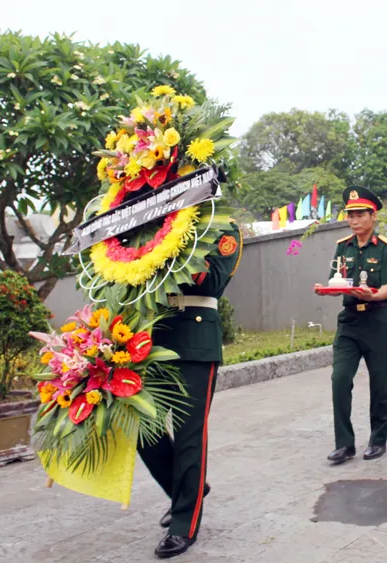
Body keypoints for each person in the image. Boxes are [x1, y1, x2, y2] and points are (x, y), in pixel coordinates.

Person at [140, 220, 243, 559]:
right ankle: (186, 489)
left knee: (189, 437)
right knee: (143, 428)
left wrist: (178, 242)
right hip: (155, 338)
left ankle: (183, 523)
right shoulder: (153, 223)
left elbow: (213, 283)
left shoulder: (223, 230)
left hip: (196, 341)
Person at [316, 187, 387, 463]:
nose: (353, 220)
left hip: (377, 320)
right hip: (350, 321)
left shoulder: (386, 248)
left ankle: (378, 440)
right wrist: (325, 290)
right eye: (350, 215)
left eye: (359, 215)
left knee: (379, 383)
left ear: (372, 216)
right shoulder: (343, 246)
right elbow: (336, 281)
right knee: (339, 379)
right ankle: (344, 443)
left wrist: (373, 294)